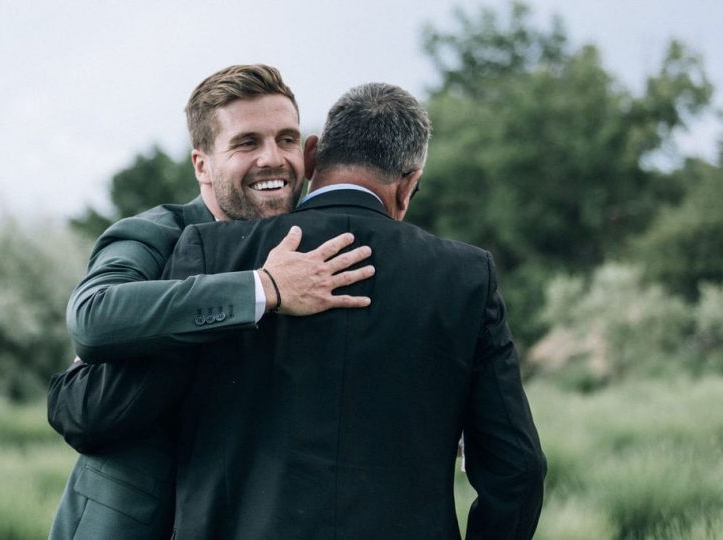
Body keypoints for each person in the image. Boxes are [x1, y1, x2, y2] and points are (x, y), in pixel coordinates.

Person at [152, 82, 547, 538]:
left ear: (313, 154)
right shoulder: (465, 276)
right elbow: (517, 468)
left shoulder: (210, 252)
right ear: (410, 183)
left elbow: (124, 411)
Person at [47, 64, 374, 539]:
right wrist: (262, 288)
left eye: (286, 139)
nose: (272, 159)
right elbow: (93, 316)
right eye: (247, 143)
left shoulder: (318, 254)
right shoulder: (154, 234)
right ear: (202, 164)